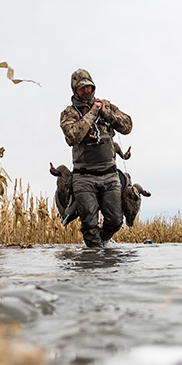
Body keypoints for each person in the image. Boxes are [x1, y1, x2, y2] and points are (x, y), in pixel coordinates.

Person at [59, 69, 133, 247]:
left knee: (115, 220)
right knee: (89, 225)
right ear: (74, 90)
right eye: (81, 88)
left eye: (89, 87)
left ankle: (102, 248)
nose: (86, 91)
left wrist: (107, 114)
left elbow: (128, 126)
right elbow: (74, 135)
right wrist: (92, 112)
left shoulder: (106, 105)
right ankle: (93, 263)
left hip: (109, 175)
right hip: (84, 178)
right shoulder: (69, 113)